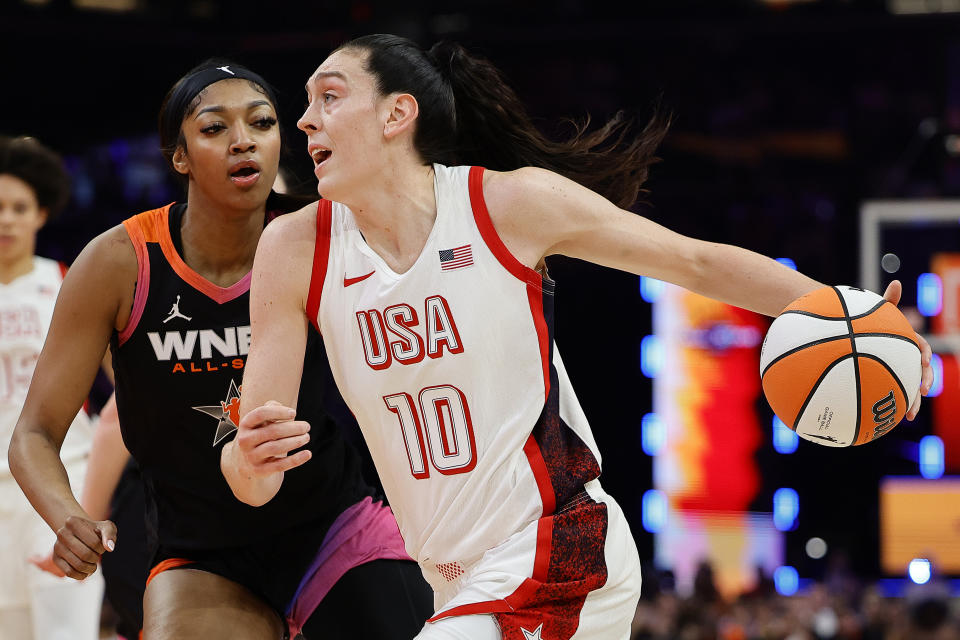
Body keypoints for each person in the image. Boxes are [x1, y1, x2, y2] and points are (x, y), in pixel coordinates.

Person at [224, 34, 935, 640]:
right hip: (454, 580)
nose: (305, 120)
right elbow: (251, 478)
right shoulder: (294, 250)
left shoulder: (503, 205)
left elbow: (692, 260)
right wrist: (250, 461)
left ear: (396, 115)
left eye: (330, 97)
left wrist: (856, 315)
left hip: (562, 548)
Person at [8, 59, 432, 640]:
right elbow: (34, 433)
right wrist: (70, 517)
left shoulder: (325, 234)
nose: (243, 142)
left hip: (331, 527)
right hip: (200, 552)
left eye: (261, 124)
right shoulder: (118, 262)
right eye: (214, 129)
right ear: (178, 156)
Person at [0, 134, 105, 639]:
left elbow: (122, 384)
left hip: (58, 484)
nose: (6, 219)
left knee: (66, 628)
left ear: (41, 214)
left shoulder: (66, 280)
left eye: (19, 207)